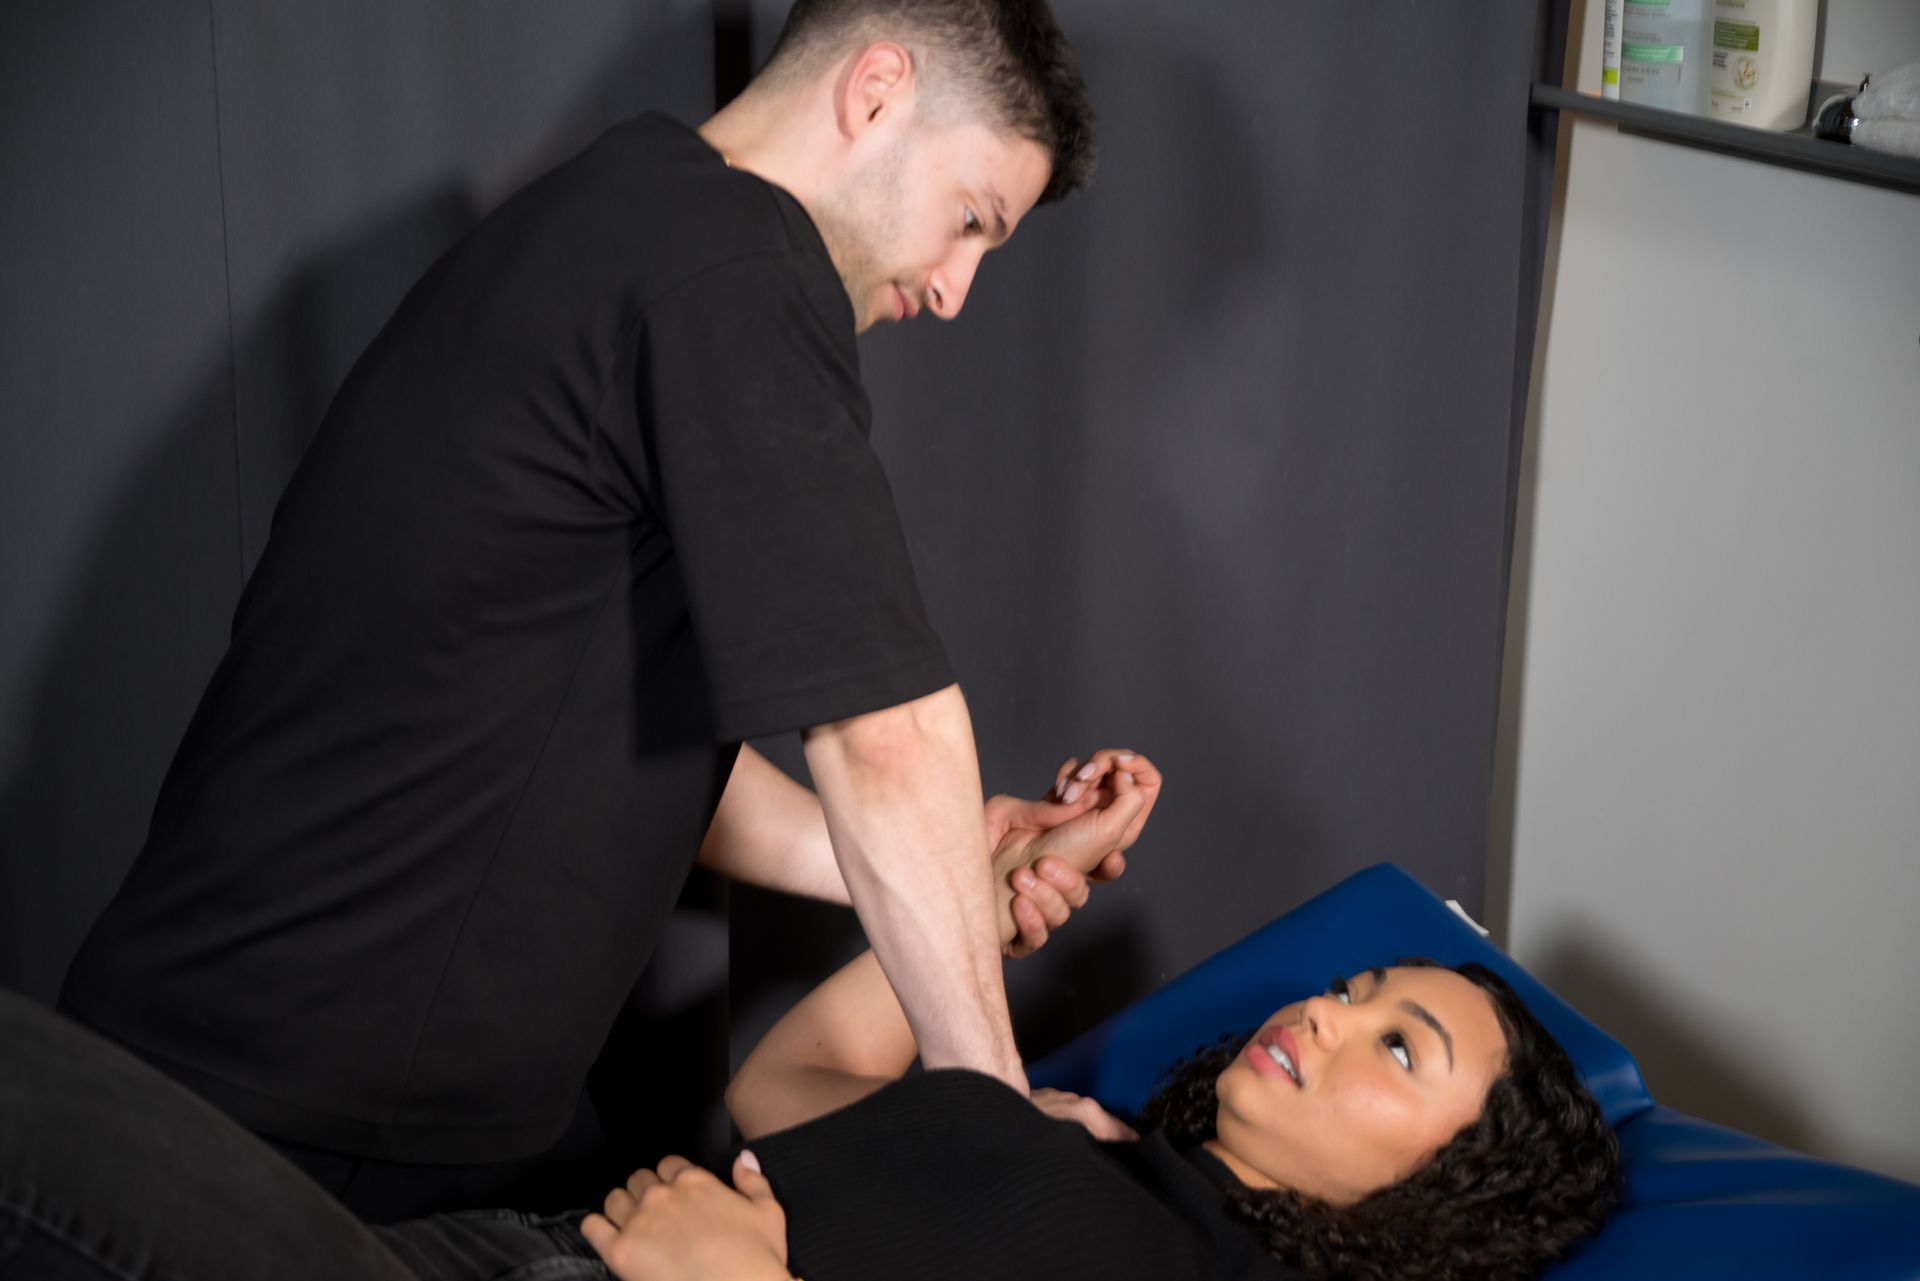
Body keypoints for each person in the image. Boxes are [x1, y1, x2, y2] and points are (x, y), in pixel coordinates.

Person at [57, 0, 1101, 1220]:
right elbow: (888, 735)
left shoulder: (630, 219)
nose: (956, 289)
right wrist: (1000, 1136)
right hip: (291, 1117)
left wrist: (957, 866)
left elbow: (616, 726)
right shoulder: (734, 269)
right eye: (971, 220)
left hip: (311, 1088)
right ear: (875, 93)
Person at [1, 753, 1623, 1281]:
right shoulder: (1100, 1149)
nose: (1328, 1012)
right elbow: (798, 1077)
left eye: (1396, 1044)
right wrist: (986, 893)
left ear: (1446, 1201)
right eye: (1357, 987)